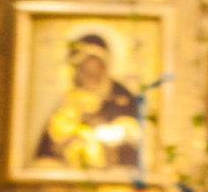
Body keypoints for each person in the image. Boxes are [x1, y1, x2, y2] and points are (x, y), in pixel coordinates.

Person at [37, 32, 146, 172]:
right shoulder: (71, 98)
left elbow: (133, 134)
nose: (83, 70)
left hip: (111, 173)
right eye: (79, 66)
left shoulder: (121, 98)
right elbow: (49, 147)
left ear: (101, 64)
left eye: (88, 63)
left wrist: (105, 131)